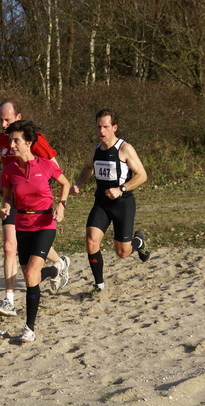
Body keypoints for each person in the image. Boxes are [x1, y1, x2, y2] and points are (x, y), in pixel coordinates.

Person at [0, 98, 70, 318]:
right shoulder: (1, 140)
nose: (3, 124)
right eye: (0, 120)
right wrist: (5, 188)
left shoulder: (33, 140)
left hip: (35, 205)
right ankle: (9, 301)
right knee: (10, 247)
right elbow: (7, 167)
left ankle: (56, 265)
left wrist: (41, 193)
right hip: (13, 199)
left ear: (18, 117)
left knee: (26, 254)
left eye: (7, 119)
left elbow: (54, 168)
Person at [71, 108, 150, 296]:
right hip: (102, 204)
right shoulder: (95, 150)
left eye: (106, 127)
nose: (101, 131)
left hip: (123, 204)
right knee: (91, 241)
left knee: (122, 252)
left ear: (114, 127)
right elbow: (88, 168)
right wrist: (79, 183)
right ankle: (99, 285)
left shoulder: (125, 149)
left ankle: (139, 242)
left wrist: (121, 189)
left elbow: (142, 175)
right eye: (98, 127)